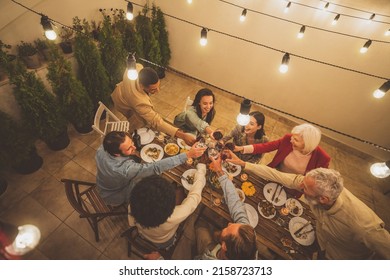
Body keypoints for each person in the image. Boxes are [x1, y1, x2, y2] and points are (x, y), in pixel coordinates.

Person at [227, 151, 390, 260]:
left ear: (323, 199)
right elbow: (278, 175)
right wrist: (243, 163)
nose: (300, 187)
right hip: (317, 241)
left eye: (305, 189)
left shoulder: (364, 226)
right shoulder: (313, 186)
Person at [95, 131, 205, 206]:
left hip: (103, 182)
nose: (134, 148)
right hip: (115, 194)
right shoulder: (124, 170)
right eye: (129, 148)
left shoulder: (103, 148)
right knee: (151, 181)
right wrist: (187, 155)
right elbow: (154, 167)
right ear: (117, 154)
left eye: (132, 143)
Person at [235, 123, 330, 197]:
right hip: (272, 175)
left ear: (307, 144)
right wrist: (242, 148)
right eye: (293, 137)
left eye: (296, 140)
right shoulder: (288, 139)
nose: (291, 140)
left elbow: (317, 184)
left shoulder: (322, 158)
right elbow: (266, 147)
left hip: (292, 189)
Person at [111, 64, 195, 145]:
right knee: (138, 123)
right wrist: (182, 135)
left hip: (123, 88)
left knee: (145, 118)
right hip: (121, 100)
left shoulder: (136, 68)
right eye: (153, 89)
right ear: (142, 86)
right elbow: (156, 121)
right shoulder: (139, 102)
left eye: (158, 86)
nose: (158, 90)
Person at [128, 162, 206, 249]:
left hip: (143, 233)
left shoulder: (134, 204)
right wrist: (201, 170)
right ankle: (168, 246)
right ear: (170, 207)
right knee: (180, 191)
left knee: (179, 190)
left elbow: (131, 223)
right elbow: (194, 197)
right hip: (163, 241)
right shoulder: (175, 216)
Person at [195, 156, 257, 260]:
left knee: (200, 228)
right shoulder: (248, 238)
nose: (230, 223)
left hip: (207, 253)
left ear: (224, 246)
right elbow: (236, 204)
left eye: (228, 228)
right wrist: (219, 171)